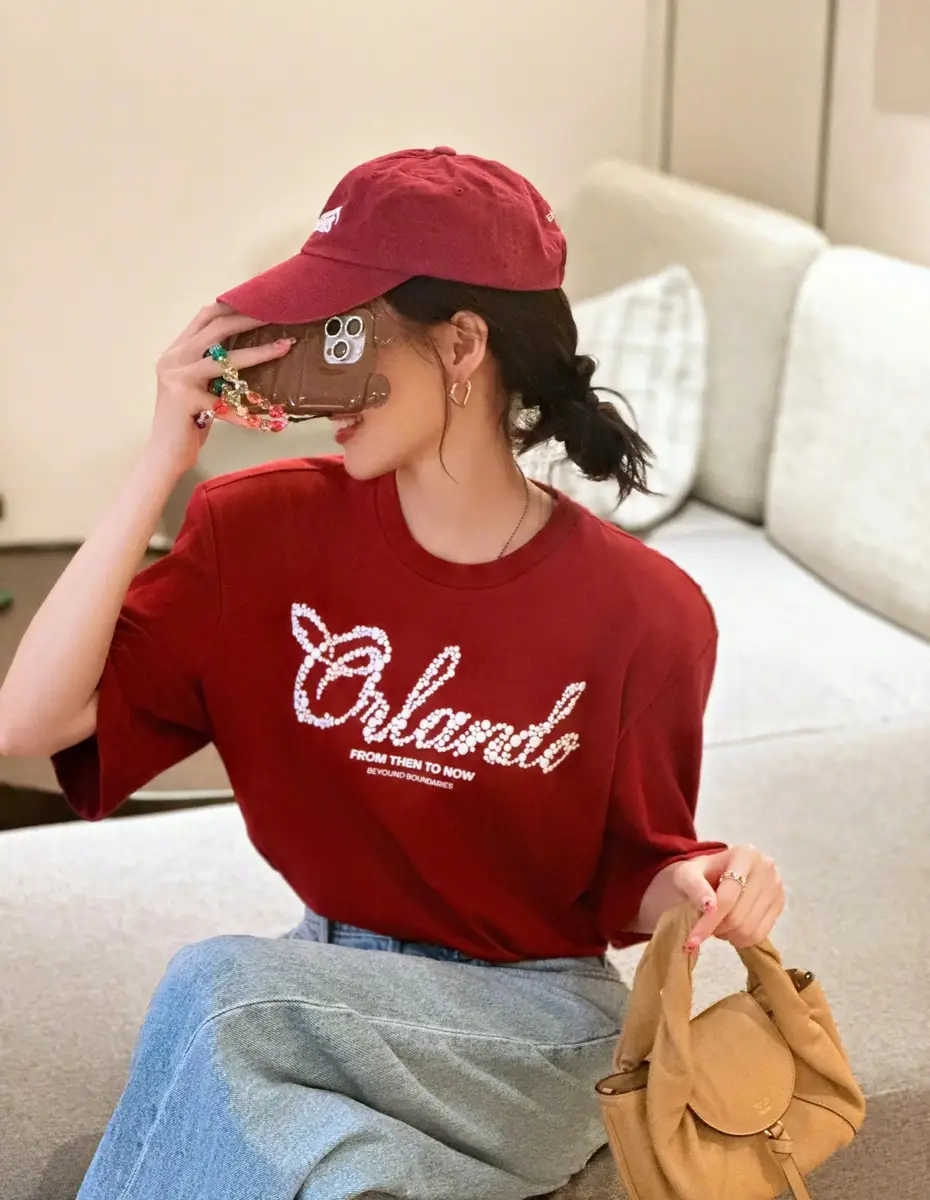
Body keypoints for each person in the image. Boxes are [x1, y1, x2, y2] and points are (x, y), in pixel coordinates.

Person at [0, 148, 784, 1200]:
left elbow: (625, 880)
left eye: (347, 333)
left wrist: (699, 881)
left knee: (222, 993)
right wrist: (159, 462)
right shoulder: (259, 533)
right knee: (350, 1177)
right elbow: (28, 724)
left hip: (533, 1030)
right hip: (333, 987)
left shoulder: (647, 611)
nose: (324, 376)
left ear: (462, 344)